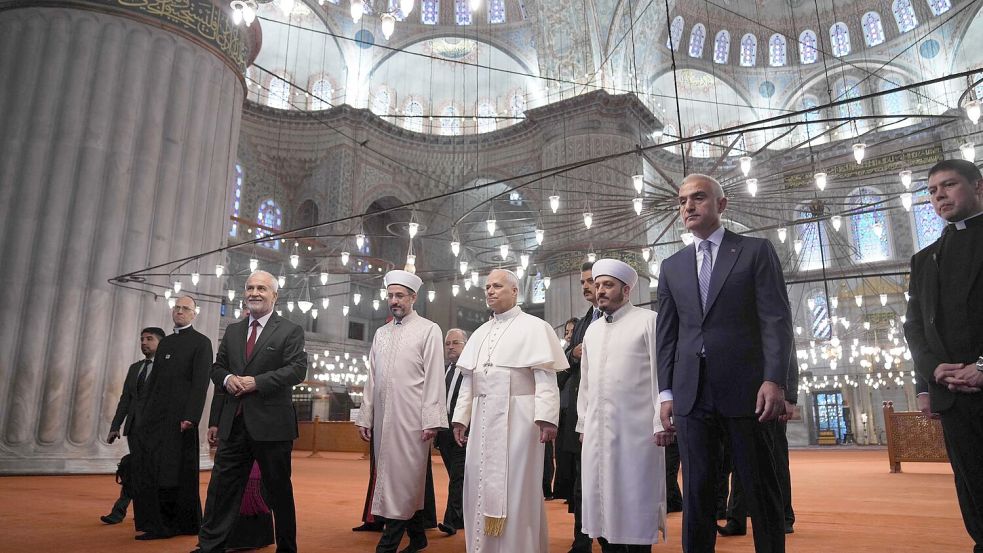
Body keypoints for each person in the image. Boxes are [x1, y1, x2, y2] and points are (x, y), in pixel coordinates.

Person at [656, 174, 793, 553]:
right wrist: (665, 391)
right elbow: (667, 336)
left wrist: (774, 380)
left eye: (698, 198)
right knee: (698, 491)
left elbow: (776, 321)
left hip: (748, 390)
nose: (688, 206)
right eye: (683, 201)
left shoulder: (755, 251)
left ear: (722, 204)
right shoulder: (672, 266)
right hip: (691, 394)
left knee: (758, 488)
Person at [451, 269, 567, 553]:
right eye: (487, 287)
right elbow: (469, 381)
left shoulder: (535, 327)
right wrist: (460, 419)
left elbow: (546, 378)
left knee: (518, 486)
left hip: (521, 418)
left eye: (497, 286)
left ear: (515, 291)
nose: (490, 291)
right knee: (477, 482)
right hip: (482, 417)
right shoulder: (479, 333)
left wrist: (547, 418)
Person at [194, 270, 308, 553]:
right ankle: (210, 546)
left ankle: (287, 548)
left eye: (261, 288)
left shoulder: (290, 330)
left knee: (278, 491)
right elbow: (216, 368)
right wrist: (226, 379)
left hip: (272, 426)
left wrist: (258, 382)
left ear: (274, 296)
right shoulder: (233, 330)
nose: (254, 293)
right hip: (234, 424)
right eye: (250, 288)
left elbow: (297, 369)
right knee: (221, 489)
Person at [903, 158, 983, 553]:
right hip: (951, 393)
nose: (939, 196)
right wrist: (931, 372)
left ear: (978, 187)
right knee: (971, 482)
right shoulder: (924, 259)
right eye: (933, 191)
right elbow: (914, 328)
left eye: (949, 185)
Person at [577, 258, 666, 552]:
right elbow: (586, 384)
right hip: (597, 431)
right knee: (601, 503)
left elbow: (658, 376)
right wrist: (582, 424)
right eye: (597, 284)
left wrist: (660, 421)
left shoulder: (648, 321)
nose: (599, 290)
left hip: (637, 434)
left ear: (626, 290)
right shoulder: (591, 330)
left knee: (635, 500)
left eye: (607, 285)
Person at [356, 270, 447, 553]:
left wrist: (431, 420)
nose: (394, 301)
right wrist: (366, 415)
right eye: (390, 296)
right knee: (397, 479)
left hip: (413, 420)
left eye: (400, 296)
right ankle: (417, 537)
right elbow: (372, 378)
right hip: (383, 420)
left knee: (404, 478)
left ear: (413, 297)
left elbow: (434, 377)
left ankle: (388, 545)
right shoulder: (380, 334)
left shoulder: (429, 329)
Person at [130, 296, 212, 540]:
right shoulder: (165, 344)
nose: (180, 311)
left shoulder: (202, 342)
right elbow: (153, 383)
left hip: (181, 420)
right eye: (176, 307)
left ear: (194, 313)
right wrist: (143, 414)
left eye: (185, 308)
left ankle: (176, 525)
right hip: (156, 419)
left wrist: (191, 416)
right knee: (155, 470)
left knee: (174, 472)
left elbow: (201, 383)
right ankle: (160, 522)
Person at [718, 354, 799, 537]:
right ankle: (736, 519)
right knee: (740, 460)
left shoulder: (772, 325)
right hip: (744, 398)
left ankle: (785, 516)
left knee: (776, 460)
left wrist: (790, 397)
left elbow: (789, 356)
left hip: (773, 398)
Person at [102, 327, 165, 525]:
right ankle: (122, 511)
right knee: (135, 469)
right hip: (134, 429)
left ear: (161, 343)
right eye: (142, 339)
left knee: (151, 471)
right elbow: (125, 400)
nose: (144, 342)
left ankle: (143, 512)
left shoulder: (166, 369)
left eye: (149, 339)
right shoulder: (134, 368)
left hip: (157, 430)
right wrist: (115, 426)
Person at [560, 262, 600, 553]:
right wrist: (572, 354)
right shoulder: (585, 321)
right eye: (583, 282)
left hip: (608, 413)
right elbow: (568, 365)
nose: (586, 286)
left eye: (591, 281)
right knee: (580, 483)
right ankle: (582, 540)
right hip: (580, 415)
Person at [435, 328, 469, 535]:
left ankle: (451, 521)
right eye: (447, 344)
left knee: (458, 476)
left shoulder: (470, 370)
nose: (450, 347)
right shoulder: (445, 370)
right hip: (445, 433)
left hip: (463, 432)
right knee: (456, 476)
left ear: (466, 345)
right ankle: (462, 516)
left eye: (455, 343)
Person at [553, 317, 579, 504]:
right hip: (561, 409)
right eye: (567, 332)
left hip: (576, 409)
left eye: (572, 332)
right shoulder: (565, 354)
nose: (568, 335)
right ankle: (567, 491)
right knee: (562, 453)